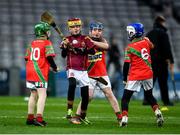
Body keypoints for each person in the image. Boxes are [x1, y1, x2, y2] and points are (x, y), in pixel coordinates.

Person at [71, 21, 122, 125]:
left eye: (99, 30)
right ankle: (76, 117)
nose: (97, 32)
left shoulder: (102, 41)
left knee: (110, 94)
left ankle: (120, 118)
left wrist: (92, 42)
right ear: (90, 31)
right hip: (89, 75)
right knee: (88, 97)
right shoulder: (84, 41)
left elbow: (107, 47)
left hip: (102, 74)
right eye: (94, 30)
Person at [60, 18, 106, 124]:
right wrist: (65, 47)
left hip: (83, 71)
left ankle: (83, 115)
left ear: (80, 27)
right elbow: (63, 56)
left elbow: (92, 51)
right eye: (73, 27)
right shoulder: (66, 39)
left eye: (77, 26)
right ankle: (69, 111)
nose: (76, 29)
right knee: (72, 84)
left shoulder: (86, 39)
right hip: (71, 69)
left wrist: (83, 49)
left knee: (85, 96)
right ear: (69, 29)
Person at [120, 23, 164, 127]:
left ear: (134, 33)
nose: (128, 33)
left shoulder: (129, 48)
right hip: (148, 73)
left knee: (125, 99)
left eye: (130, 32)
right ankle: (158, 112)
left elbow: (126, 65)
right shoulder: (146, 41)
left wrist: (124, 78)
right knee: (149, 96)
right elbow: (152, 46)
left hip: (135, 75)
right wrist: (146, 39)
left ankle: (124, 119)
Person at [25, 21, 58, 126]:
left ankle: (30, 118)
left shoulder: (32, 43)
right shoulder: (47, 43)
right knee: (42, 94)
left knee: (33, 94)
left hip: (30, 70)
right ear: (44, 32)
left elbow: (27, 58)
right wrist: (54, 67)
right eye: (48, 31)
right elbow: (49, 57)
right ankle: (39, 118)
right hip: (40, 72)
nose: (49, 33)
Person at [143, 15, 174, 106]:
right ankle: (166, 101)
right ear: (161, 22)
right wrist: (171, 61)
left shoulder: (149, 33)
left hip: (150, 61)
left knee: (149, 82)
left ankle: (146, 99)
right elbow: (167, 48)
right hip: (161, 62)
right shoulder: (163, 33)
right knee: (163, 83)